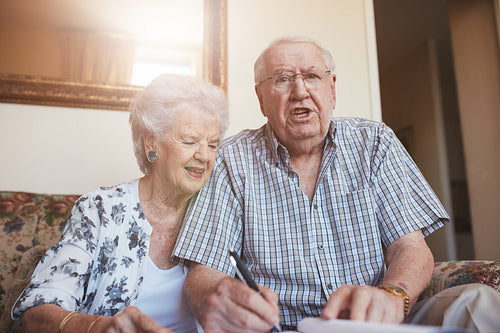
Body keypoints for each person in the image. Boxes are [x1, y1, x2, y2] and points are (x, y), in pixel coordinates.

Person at [172, 36, 499, 333]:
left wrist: (392, 295)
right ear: (261, 99)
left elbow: (411, 248)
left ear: (332, 89)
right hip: (282, 329)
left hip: (379, 324)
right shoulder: (231, 159)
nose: (300, 91)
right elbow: (205, 270)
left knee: (480, 303)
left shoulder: (374, 143)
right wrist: (215, 299)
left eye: (312, 76)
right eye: (283, 79)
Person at [11, 73, 229, 333]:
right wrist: (98, 327)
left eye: (213, 145)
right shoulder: (100, 210)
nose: (204, 155)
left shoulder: (223, 211)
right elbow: (36, 310)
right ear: (151, 143)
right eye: (189, 140)